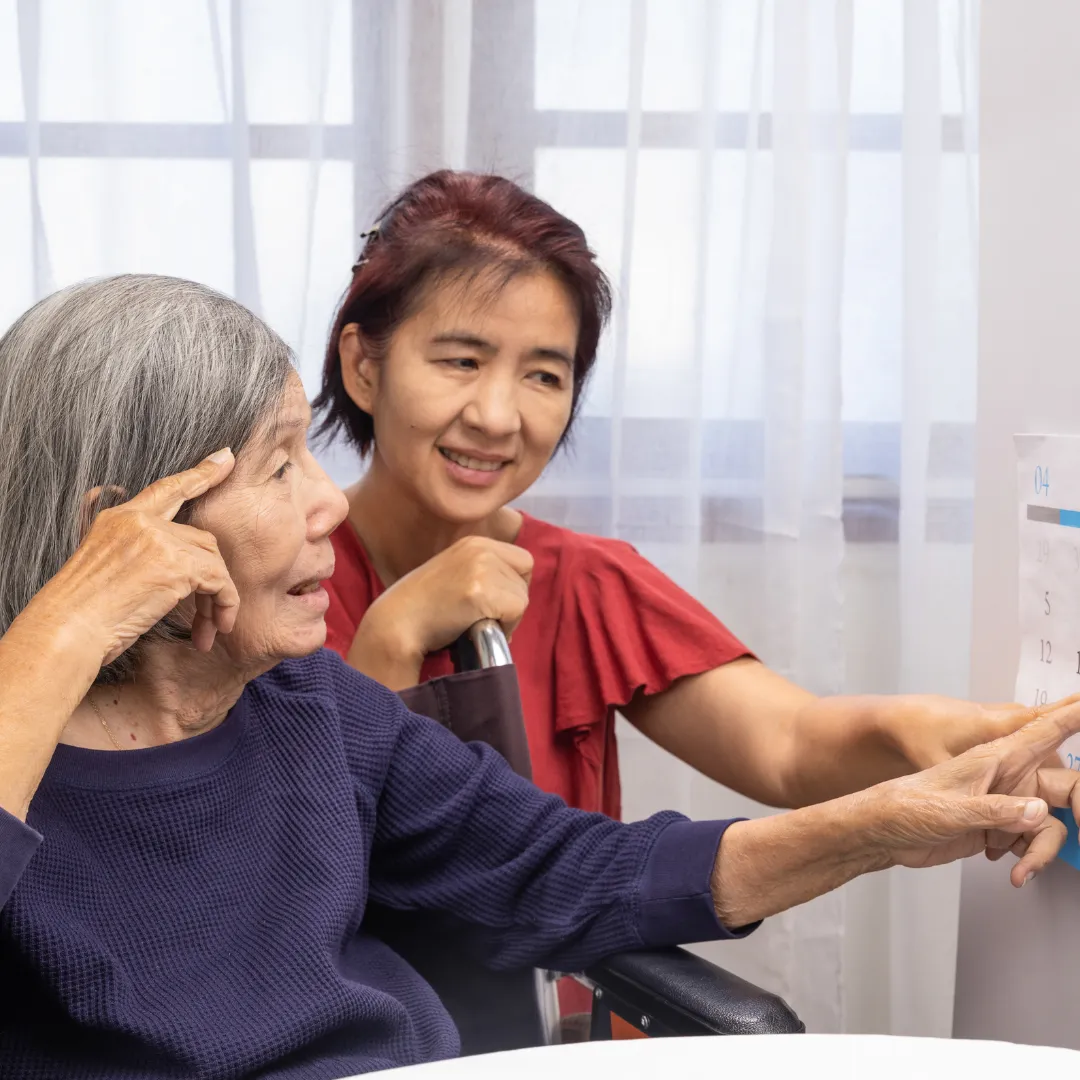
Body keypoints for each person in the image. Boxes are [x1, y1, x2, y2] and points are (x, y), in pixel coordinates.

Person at [2, 274, 1079, 1080]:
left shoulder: (314, 708)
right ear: (125, 537)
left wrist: (883, 825)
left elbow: (578, 869)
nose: (324, 501)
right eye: (279, 466)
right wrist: (64, 634)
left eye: (547, 373)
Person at [316, 169, 1032, 822]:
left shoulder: (585, 583)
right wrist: (393, 634)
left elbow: (787, 744)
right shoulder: (282, 586)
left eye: (544, 376)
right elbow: (305, 858)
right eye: (461, 361)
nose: (499, 417)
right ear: (363, 367)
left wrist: (915, 731)